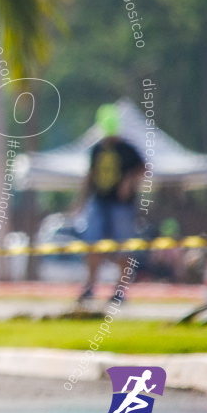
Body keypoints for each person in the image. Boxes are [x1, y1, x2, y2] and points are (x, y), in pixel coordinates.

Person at [77, 104, 144, 304]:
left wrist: (129, 181)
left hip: (121, 205)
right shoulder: (97, 149)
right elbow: (90, 176)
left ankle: (120, 291)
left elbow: (143, 168)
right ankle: (90, 287)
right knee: (92, 244)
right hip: (99, 201)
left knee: (123, 246)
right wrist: (80, 202)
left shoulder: (127, 149)